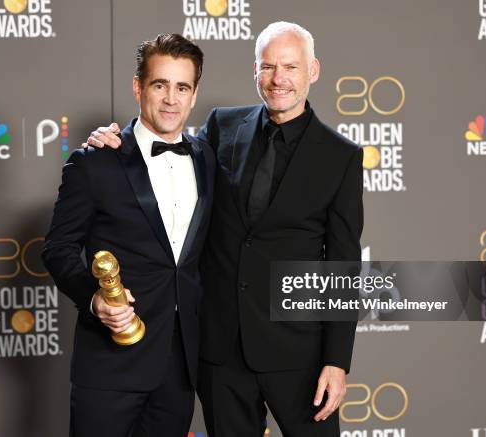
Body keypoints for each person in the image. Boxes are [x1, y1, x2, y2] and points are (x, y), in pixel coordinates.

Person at [85, 21, 363, 437]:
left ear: (314, 70)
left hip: (298, 352)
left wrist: (337, 361)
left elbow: (343, 264)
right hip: (221, 350)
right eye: (268, 66)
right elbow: (164, 163)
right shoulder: (221, 126)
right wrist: (115, 140)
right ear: (255, 71)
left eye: (290, 66)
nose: (279, 79)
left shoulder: (340, 156)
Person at [42, 33, 215, 437]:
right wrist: (92, 297)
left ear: (193, 94)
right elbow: (58, 249)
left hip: (178, 368)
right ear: (138, 87)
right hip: (109, 364)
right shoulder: (95, 162)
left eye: (182, 87)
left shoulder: (207, 158)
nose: (171, 99)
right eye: (160, 84)